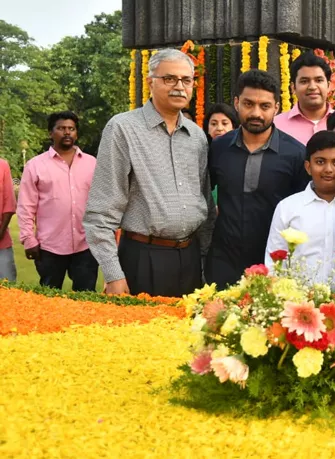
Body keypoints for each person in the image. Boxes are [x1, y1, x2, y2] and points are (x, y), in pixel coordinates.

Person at [83, 48, 215, 297]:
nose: (179, 86)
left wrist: (204, 260)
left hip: (190, 258)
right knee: (143, 334)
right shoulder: (123, 128)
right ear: (150, 82)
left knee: (190, 335)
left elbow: (205, 202)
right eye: (169, 79)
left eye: (186, 80)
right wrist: (113, 274)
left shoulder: (197, 136)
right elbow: (100, 212)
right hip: (143, 258)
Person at [205, 70, 308, 288]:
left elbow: (303, 209)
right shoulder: (219, 147)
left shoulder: (296, 154)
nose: (256, 113)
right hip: (224, 260)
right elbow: (203, 194)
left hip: (272, 261)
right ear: (236, 103)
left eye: (265, 106)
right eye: (248, 104)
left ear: (277, 108)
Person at [266, 131, 335, 284]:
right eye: (320, 162)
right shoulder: (287, 208)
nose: (328, 169)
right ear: (308, 167)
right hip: (299, 300)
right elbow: (273, 262)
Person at [17, 111, 99, 291]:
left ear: (76, 133)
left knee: (87, 300)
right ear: (50, 133)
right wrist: (29, 240)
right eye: (61, 128)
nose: (67, 132)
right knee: (48, 301)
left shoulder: (92, 164)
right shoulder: (36, 165)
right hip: (50, 247)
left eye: (71, 128)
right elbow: (25, 206)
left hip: (86, 245)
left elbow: (101, 202)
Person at [274, 52, 335, 163]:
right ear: (293, 87)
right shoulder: (276, 126)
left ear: (329, 85)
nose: (312, 87)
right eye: (304, 81)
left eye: (319, 80)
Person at [203, 103, 240, 204]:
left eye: (224, 123)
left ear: (234, 127)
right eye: (213, 124)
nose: (219, 128)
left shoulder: (240, 154)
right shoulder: (201, 151)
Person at [0, 156, 15, 282]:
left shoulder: (2, 165)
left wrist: (0, 232)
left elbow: (9, 204)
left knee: (8, 287)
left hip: (1, 242)